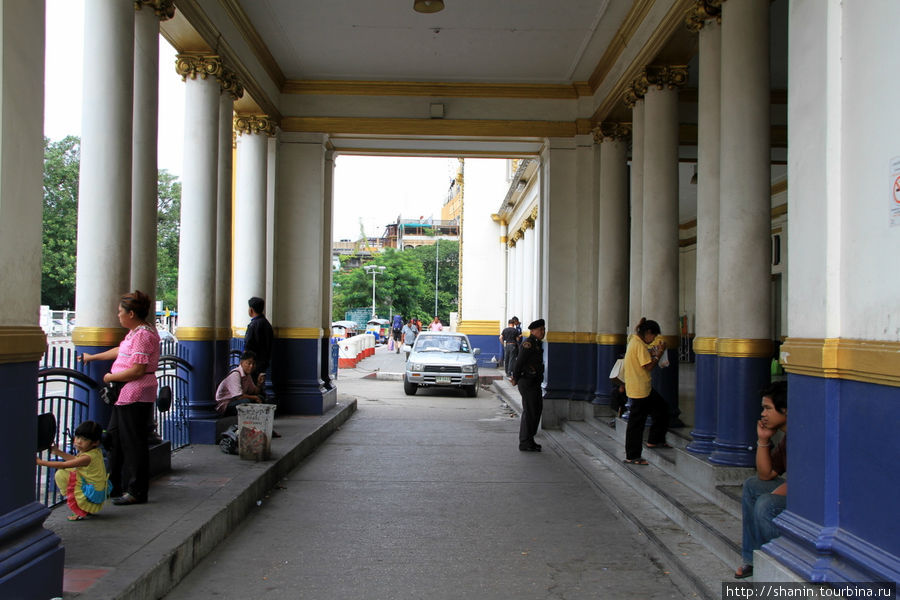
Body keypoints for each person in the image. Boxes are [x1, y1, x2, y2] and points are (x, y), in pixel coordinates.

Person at [80, 290, 160, 505]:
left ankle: (136, 490)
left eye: (120, 311)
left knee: (133, 442)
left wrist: (109, 377)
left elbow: (137, 370)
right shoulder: (136, 332)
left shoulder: (143, 335)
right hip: (125, 395)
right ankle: (113, 484)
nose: (118, 315)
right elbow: (121, 351)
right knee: (114, 438)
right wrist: (93, 357)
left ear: (131, 313)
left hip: (135, 393)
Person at [735, 381, 788, 579]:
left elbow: (809, 485)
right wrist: (763, 439)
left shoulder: (806, 435)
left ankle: (784, 560)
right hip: (799, 497)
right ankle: (752, 560)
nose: (763, 414)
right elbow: (766, 475)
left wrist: (774, 494)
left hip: (814, 506)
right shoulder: (785, 438)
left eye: (767, 408)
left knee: (766, 503)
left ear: (785, 410)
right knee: (752, 485)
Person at [36, 421, 109, 521]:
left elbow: (63, 464)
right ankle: (84, 508)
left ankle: (80, 510)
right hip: (96, 489)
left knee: (61, 474)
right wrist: (58, 452)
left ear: (95, 442)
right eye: (77, 437)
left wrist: (40, 462)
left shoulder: (88, 457)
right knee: (70, 470)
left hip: (91, 492)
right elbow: (75, 460)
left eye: (84, 439)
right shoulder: (94, 451)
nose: (79, 441)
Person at [622, 317, 669, 465]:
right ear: (648, 332)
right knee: (636, 424)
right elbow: (648, 366)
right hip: (639, 390)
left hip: (642, 387)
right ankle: (633, 455)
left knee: (661, 409)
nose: (653, 339)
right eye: (653, 336)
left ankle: (655, 439)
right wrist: (659, 354)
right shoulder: (639, 345)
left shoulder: (635, 341)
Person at [511, 319, 545, 452]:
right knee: (530, 411)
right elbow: (519, 362)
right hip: (527, 382)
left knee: (536, 410)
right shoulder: (528, 344)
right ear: (533, 331)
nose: (543, 332)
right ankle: (525, 442)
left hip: (534, 382)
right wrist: (515, 377)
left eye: (544, 329)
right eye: (540, 330)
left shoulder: (536, 344)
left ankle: (530, 439)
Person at [215, 351, 265, 416]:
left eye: (254, 364)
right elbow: (239, 396)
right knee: (246, 402)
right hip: (225, 405)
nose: (251, 366)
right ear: (241, 363)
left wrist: (259, 384)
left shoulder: (247, 375)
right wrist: (255, 398)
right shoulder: (235, 374)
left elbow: (254, 392)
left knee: (261, 397)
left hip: (235, 401)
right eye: (249, 363)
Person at [244, 296, 274, 381]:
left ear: (251, 310)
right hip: (263, 362)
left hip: (253, 363)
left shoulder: (253, 325)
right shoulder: (267, 324)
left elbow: (248, 344)